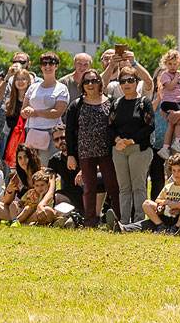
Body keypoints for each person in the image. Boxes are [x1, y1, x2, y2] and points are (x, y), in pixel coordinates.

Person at [64, 69, 121, 228]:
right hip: (85, 152)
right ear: (82, 84)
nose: (90, 84)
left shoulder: (110, 101)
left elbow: (116, 125)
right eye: (87, 81)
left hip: (107, 152)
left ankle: (117, 221)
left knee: (113, 187)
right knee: (89, 188)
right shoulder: (76, 105)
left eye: (94, 80)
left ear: (100, 83)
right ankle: (89, 222)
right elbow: (69, 131)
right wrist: (71, 155)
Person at [107, 66, 155, 224]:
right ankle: (124, 222)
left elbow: (150, 125)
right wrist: (117, 140)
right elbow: (109, 127)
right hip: (119, 149)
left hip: (139, 149)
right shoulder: (116, 103)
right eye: (123, 81)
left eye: (130, 80)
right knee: (124, 188)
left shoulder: (144, 102)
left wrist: (132, 140)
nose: (127, 84)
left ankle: (140, 221)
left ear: (137, 82)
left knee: (139, 187)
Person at [107, 153, 180, 236]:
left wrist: (178, 205)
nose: (176, 174)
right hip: (165, 214)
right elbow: (158, 200)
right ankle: (124, 228)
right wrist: (165, 202)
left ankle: (176, 229)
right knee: (147, 206)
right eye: (173, 170)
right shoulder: (168, 186)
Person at [21, 51, 69, 164]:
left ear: (56, 66)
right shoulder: (33, 87)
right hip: (31, 131)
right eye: (44, 63)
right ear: (41, 67)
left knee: (47, 168)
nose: (47, 66)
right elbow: (23, 111)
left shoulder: (61, 88)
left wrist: (35, 112)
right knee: (30, 167)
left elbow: (57, 112)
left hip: (51, 132)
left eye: (51, 63)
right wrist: (26, 111)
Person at [0, 144, 43, 224]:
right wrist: (9, 191)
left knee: (39, 213)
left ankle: (15, 221)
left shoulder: (41, 173)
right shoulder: (17, 176)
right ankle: (20, 221)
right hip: (18, 210)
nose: (23, 161)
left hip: (34, 210)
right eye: (19, 158)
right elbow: (6, 202)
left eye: (25, 157)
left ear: (32, 157)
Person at [47, 124, 85, 216]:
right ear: (54, 143)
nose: (61, 141)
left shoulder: (81, 152)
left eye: (63, 137)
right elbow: (50, 180)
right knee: (56, 198)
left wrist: (83, 171)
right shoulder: (54, 160)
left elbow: (98, 167)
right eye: (57, 139)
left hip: (86, 191)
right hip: (68, 192)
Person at [157, 49, 180, 158]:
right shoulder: (165, 75)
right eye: (170, 64)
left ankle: (165, 147)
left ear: (179, 64)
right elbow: (170, 86)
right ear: (165, 64)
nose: (173, 66)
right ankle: (177, 142)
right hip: (168, 102)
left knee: (172, 123)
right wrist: (176, 77)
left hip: (175, 102)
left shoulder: (179, 73)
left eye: (175, 64)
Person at [3, 68, 32, 166]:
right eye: (17, 79)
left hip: (30, 137)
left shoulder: (33, 100)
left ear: (28, 82)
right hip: (14, 139)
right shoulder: (10, 102)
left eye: (23, 79)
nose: (20, 82)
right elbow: (10, 123)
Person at [150, 68, 169, 199]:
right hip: (152, 143)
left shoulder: (176, 94)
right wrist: (158, 97)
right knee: (152, 178)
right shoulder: (150, 93)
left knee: (164, 179)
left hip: (168, 144)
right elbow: (149, 112)